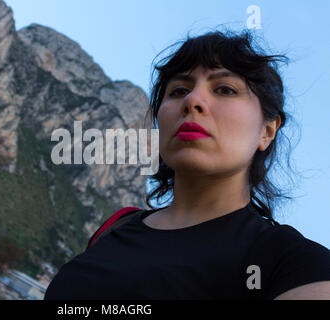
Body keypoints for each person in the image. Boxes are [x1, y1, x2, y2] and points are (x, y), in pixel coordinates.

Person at [44, 30, 330, 300]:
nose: (193, 100)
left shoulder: (294, 264)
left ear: (267, 131)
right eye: (178, 90)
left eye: (225, 89)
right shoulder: (115, 226)